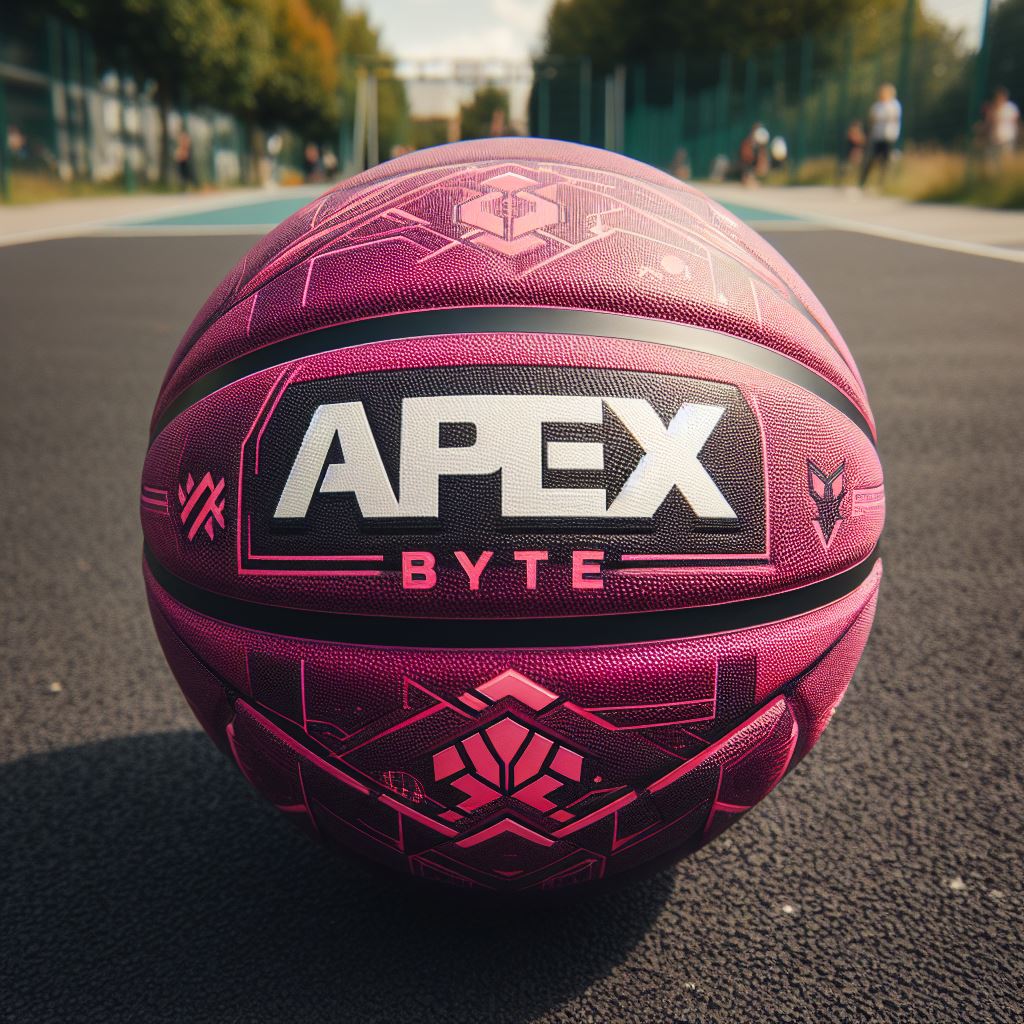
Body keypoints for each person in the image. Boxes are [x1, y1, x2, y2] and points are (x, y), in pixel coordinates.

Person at [860, 84, 901, 188]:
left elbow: (893, 118)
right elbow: (872, 119)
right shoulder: (877, 106)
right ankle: (862, 182)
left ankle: (882, 183)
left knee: (885, 160)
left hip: (889, 136)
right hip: (877, 135)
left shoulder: (894, 105)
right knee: (870, 158)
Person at [985, 87, 1020, 167]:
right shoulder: (993, 108)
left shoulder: (1010, 107)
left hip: (1008, 137)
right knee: (993, 160)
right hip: (995, 138)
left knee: (1007, 157)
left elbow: (1015, 120)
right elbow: (989, 121)